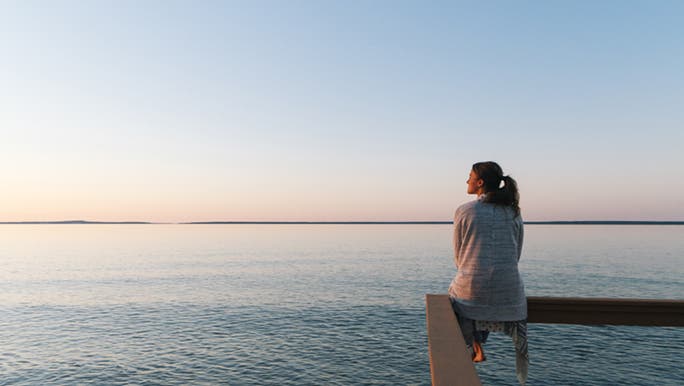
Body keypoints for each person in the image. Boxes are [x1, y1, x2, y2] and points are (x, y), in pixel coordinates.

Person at [448, 161, 528, 385]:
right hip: (510, 292)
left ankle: (475, 345)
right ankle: (478, 344)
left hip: (473, 290)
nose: (467, 181)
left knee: (457, 296)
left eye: (470, 177)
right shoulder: (513, 212)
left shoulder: (465, 211)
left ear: (480, 183)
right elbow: (516, 253)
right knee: (479, 296)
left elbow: (459, 256)